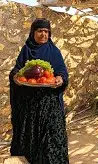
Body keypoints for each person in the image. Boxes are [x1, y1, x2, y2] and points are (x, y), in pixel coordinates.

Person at [9, 18, 69, 163]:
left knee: (51, 138)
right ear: (33, 32)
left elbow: (62, 71)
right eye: (40, 31)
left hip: (49, 105)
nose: (43, 34)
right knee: (30, 139)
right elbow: (17, 70)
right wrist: (16, 77)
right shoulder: (26, 50)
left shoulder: (54, 51)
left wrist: (60, 78)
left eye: (46, 31)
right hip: (29, 107)